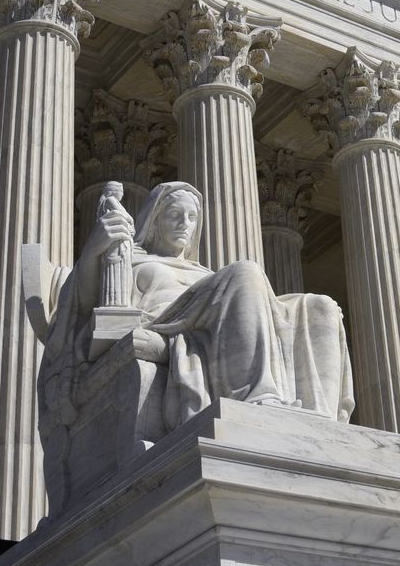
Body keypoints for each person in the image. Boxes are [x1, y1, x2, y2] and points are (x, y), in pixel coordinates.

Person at [91, 181, 355, 427]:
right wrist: (97, 246)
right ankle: (256, 394)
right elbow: (86, 304)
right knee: (246, 272)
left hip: (211, 320)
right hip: (168, 321)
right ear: (155, 220)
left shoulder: (205, 273)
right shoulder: (133, 260)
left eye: (192, 217)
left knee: (320, 306)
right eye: (174, 214)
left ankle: (321, 420)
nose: (185, 224)